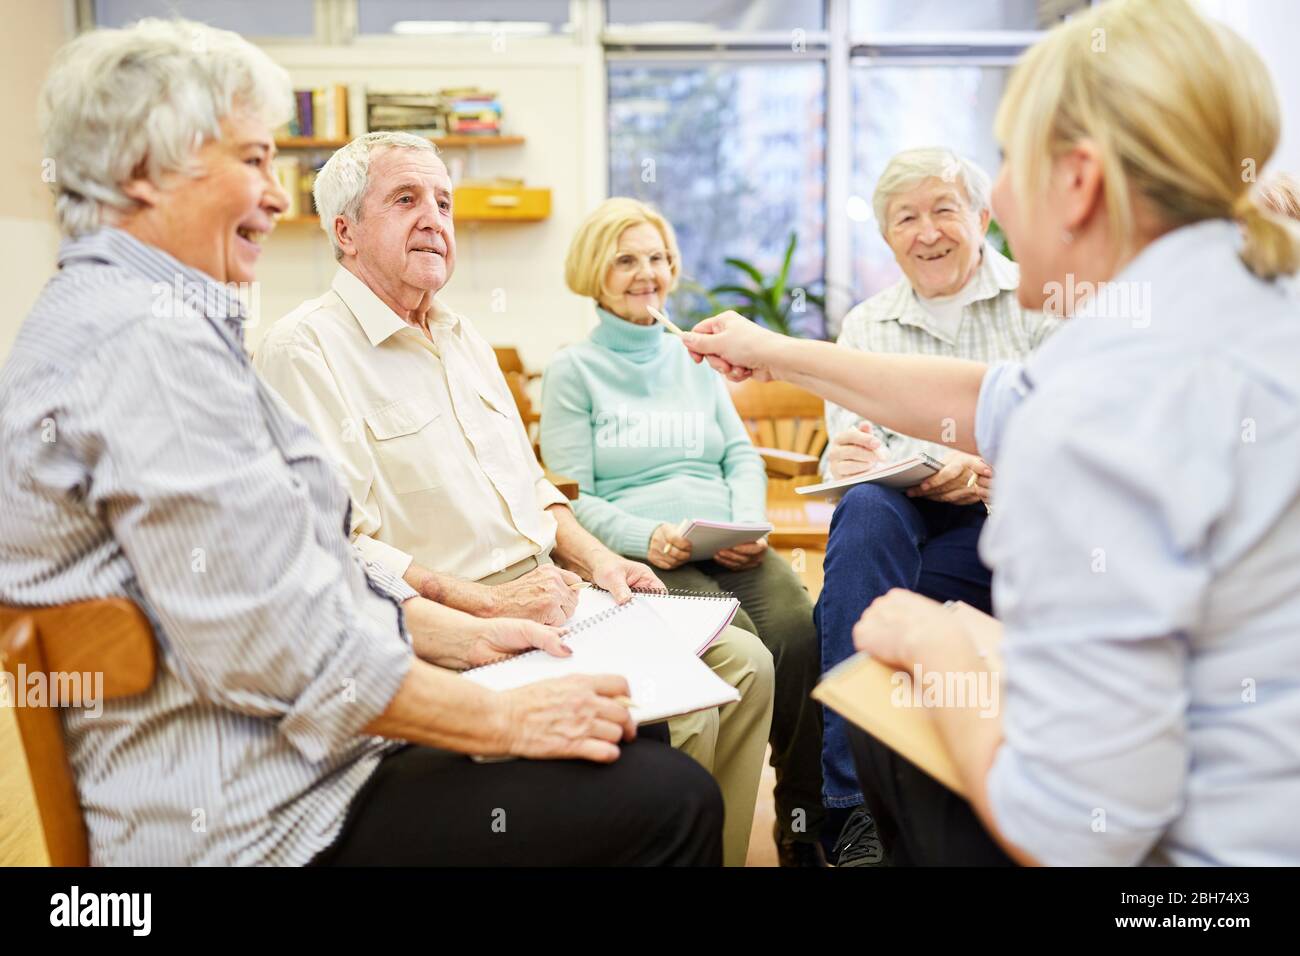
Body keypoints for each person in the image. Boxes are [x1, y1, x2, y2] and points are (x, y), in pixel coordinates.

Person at [0, 17, 722, 866]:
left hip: (303, 756)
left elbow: (297, 585)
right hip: (266, 815)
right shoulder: (146, 348)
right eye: (252, 161)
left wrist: (463, 638)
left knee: (633, 737)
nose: (276, 195)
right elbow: (279, 650)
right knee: (671, 799)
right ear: (144, 172)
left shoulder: (136, 321)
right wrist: (504, 715)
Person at [678, 0, 1300, 865]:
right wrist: (776, 353)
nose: (997, 199)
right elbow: (993, 397)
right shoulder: (1228, 308)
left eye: (1006, 165)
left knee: (894, 697)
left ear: (1078, 181)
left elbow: (1072, 825)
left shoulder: (1113, 398)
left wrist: (933, 642)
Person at [254, 136, 772, 867]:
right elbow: (340, 548)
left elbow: (532, 488)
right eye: (406, 200)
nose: (434, 218)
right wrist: (486, 606)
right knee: (681, 713)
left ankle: (698, 853)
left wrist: (604, 562)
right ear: (345, 231)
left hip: (555, 587)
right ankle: (664, 836)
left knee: (746, 664)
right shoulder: (303, 349)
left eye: (443, 201)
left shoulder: (464, 337)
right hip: (453, 617)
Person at [540, 197, 825, 866]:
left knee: (799, 632)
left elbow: (739, 455)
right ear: (594, 272)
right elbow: (573, 499)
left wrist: (748, 524)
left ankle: (802, 821)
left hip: (726, 537)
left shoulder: (691, 355)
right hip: (647, 551)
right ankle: (703, 838)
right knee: (744, 649)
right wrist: (650, 536)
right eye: (628, 260)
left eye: (659, 259)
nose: (648, 273)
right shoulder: (571, 372)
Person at [815, 149, 1057, 864]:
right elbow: (849, 446)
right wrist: (864, 460)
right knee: (862, 511)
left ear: (982, 218)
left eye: (944, 210)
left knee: (867, 602)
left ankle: (940, 803)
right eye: (907, 218)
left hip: (1009, 514)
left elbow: (1063, 442)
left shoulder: (1037, 299)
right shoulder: (867, 324)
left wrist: (982, 470)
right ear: (888, 237)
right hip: (903, 512)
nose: (927, 233)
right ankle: (851, 806)